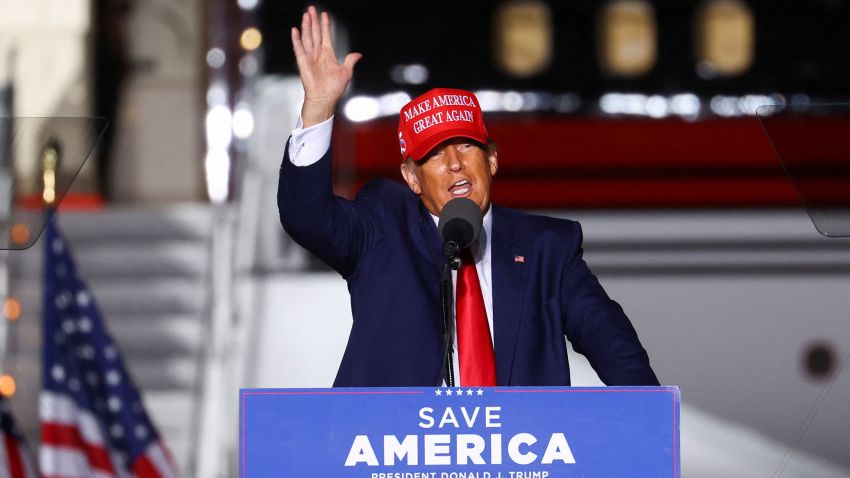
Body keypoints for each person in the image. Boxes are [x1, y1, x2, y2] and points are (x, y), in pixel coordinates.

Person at [279, 6, 659, 387]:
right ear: (412, 177)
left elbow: (611, 341)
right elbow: (306, 216)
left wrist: (648, 420)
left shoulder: (547, 248)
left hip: (516, 443)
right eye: (435, 155)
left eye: (466, 146)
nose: (455, 164)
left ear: (492, 159)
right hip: (397, 443)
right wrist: (319, 107)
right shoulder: (382, 228)